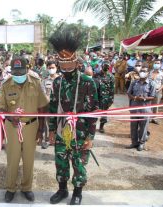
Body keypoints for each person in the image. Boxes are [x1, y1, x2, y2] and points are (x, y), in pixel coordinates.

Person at [48, 24, 99, 205]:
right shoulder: (57, 82)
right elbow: (53, 108)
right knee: (60, 162)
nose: (64, 64)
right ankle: (62, 190)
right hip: (62, 131)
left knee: (78, 164)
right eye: (61, 62)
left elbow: (93, 112)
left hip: (81, 132)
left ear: (76, 61)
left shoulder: (87, 82)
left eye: (68, 61)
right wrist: (52, 131)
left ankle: (77, 192)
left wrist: (90, 137)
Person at [0, 57, 49, 203]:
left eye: (21, 73)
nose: (18, 76)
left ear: (28, 69)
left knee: (29, 159)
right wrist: (10, 117)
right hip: (12, 127)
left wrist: (41, 129)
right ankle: (10, 188)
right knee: (12, 158)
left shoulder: (36, 83)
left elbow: (43, 106)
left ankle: (27, 188)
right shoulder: (5, 84)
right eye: (15, 73)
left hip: (31, 127)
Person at [127, 67, 155, 151]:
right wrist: (135, 97)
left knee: (143, 127)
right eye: (141, 71)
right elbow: (129, 93)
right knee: (133, 126)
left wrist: (144, 98)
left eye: (144, 71)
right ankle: (134, 142)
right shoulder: (134, 82)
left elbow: (153, 96)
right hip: (134, 107)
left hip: (145, 109)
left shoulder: (151, 83)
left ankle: (141, 143)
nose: (142, 72)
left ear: (148, 73)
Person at [41, 61, 59, 149]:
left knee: (58, 122)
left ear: (56, 68)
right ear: (47, 68)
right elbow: (43, 93)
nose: (51, 69)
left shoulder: (61, 79)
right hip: (48, 105)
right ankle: (47, 140)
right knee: (47, 123)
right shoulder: (45, 81)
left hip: (59, 106)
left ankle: (57, 140)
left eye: (53, 67)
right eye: (50, 68)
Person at [93, 60, 114, 133]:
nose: (106, 69)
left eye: (108, 68)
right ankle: (93, 126)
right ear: (102, 66)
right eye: (105, 67)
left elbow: (112, 89)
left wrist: (111, 100)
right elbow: (93, 87)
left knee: (104, 113)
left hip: (106, 98)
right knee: (94, 112)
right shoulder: (96, 75)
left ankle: (101, 127)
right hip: (97, 97)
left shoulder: (111, 76)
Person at [149, 59, 163, 124]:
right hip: (150, 91)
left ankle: (154, 119)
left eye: (158, 63)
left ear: (160, 64)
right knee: (149, 104)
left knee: (156, 105)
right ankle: (148, 118)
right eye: (155, 63)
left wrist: (159, 89)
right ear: (153, 64)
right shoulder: (150, 72)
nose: (156, 64)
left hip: (158, 91)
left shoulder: (162, 73)